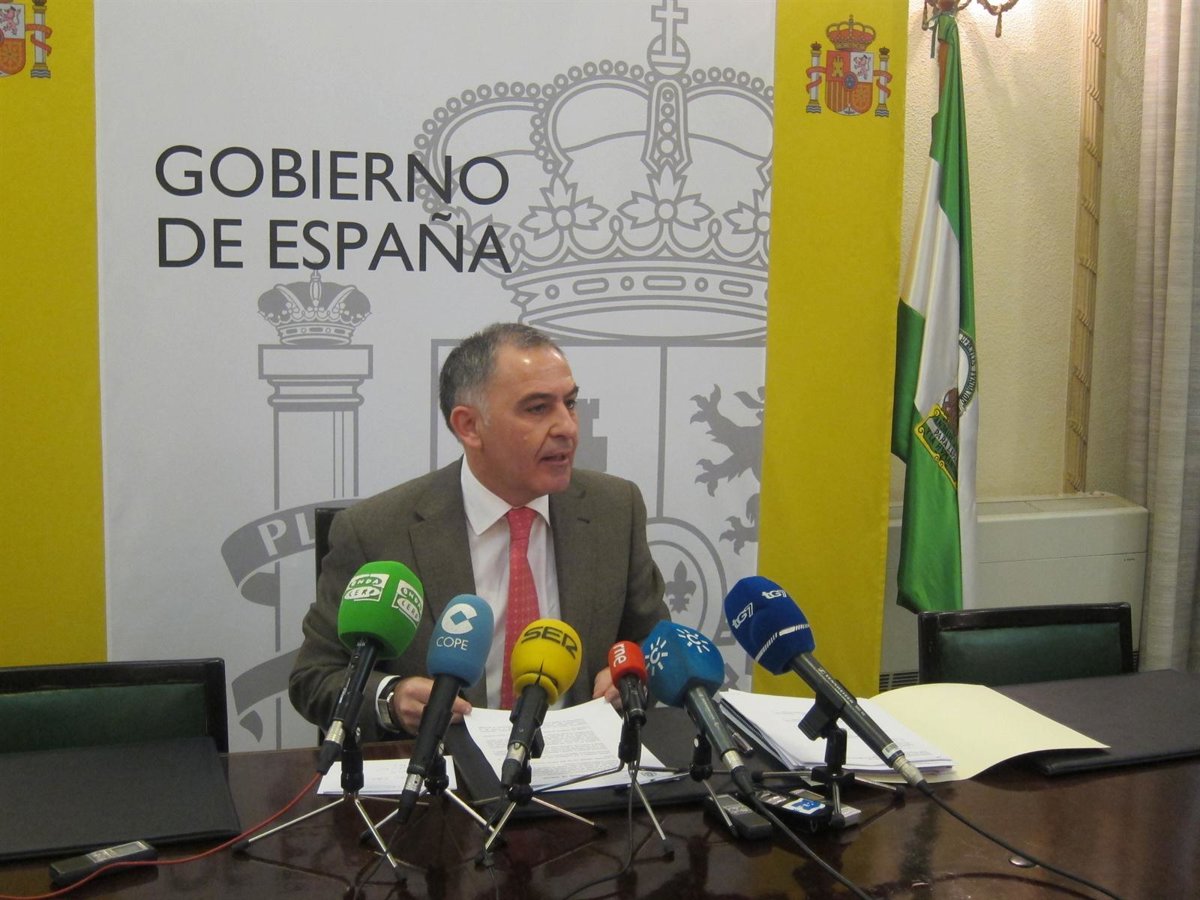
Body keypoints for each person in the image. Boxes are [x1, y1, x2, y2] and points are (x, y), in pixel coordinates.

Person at [289, 322, 668, 739]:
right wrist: (390, 698)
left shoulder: (615, 509)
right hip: (444, 766)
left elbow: (653, 643)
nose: (568, 428)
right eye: (537, 408)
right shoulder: (375, 531)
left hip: (582, 763)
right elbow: (315, 676)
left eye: (570, 403)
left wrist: (632, 674)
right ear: (469, 426)